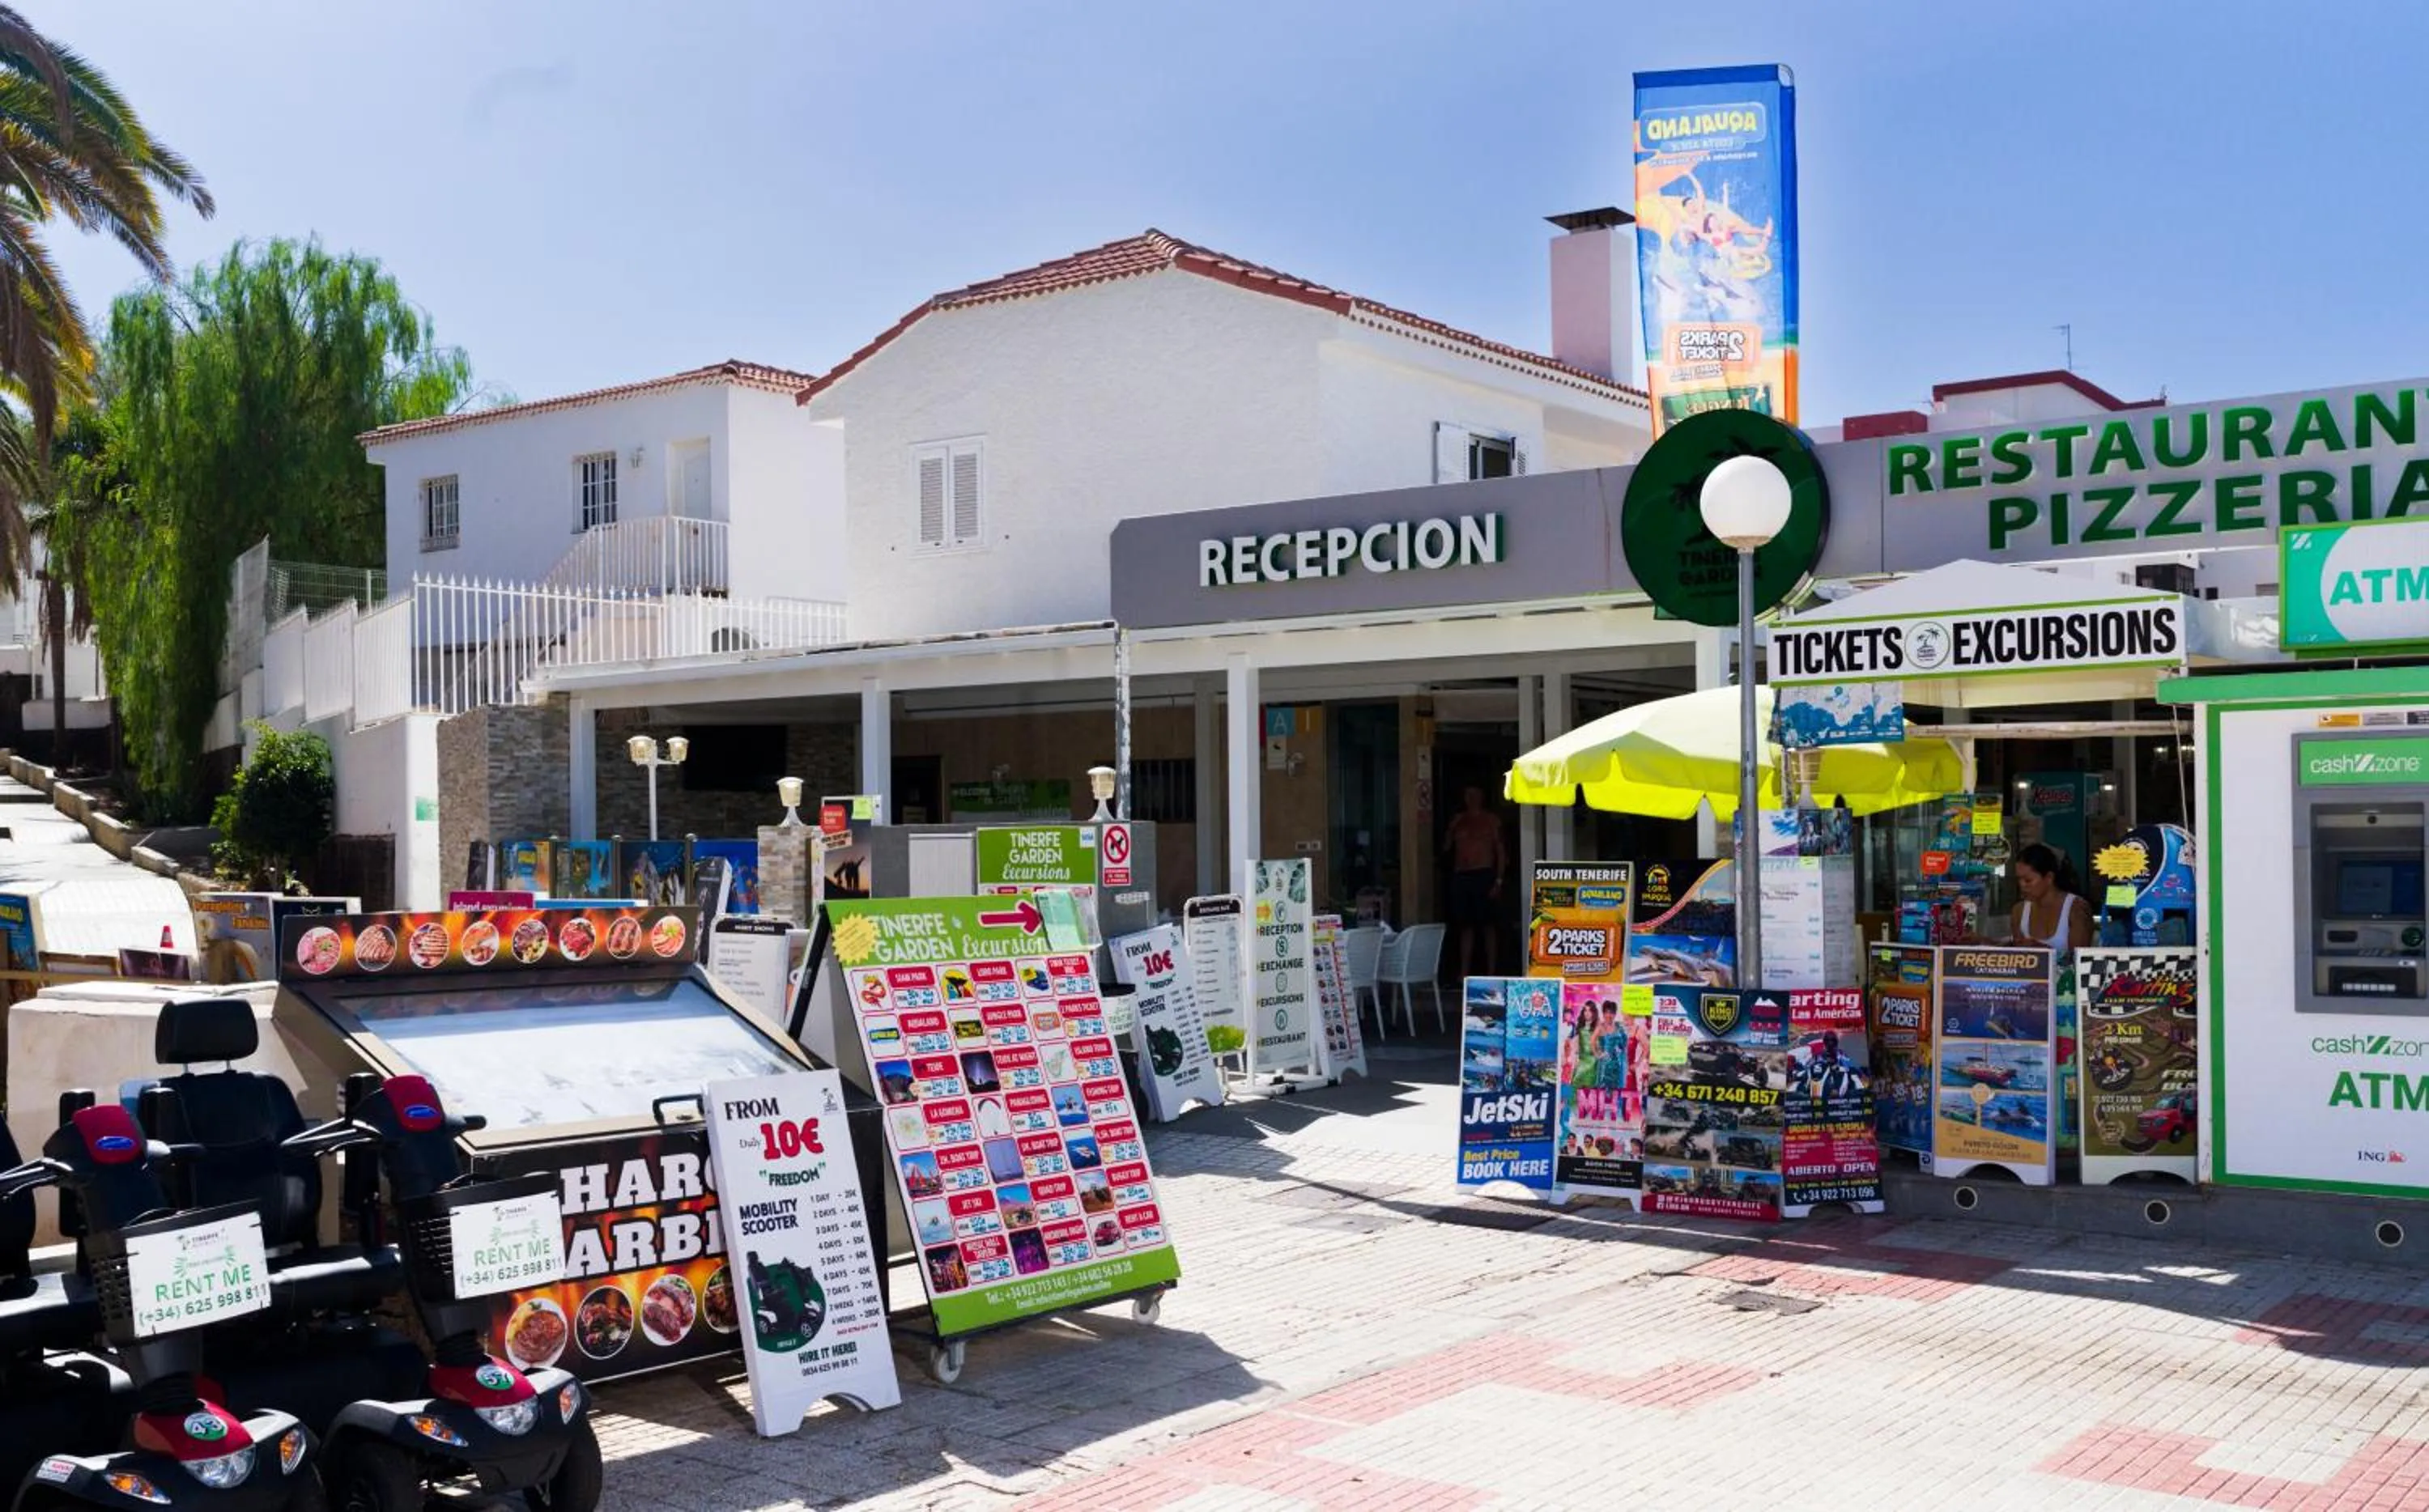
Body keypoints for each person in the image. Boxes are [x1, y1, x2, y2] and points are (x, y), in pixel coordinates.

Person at [1442, 786, 1508, 976]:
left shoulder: (1491, 821)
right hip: (1462, 875)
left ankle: (1491, 971)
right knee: (1465, 926)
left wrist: (1499, 880)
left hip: (1484, 874)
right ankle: (1464, 972)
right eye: (1468, 795)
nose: (1471, 798)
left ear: (1482, 797)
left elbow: (1500, 851)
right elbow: (1446, 848)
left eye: (1475, 794)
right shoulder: (1460, 821)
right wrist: (1451, 829)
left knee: (1488, 925)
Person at [2010, 842, 2093, 962]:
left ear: (2049, 878)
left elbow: (2080, 961)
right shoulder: (2018, 911)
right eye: (2019, 879)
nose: (2022, 886)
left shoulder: (2076, 908)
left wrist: (2044, 951)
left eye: (2028, 880)